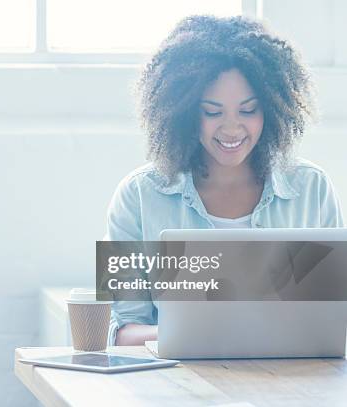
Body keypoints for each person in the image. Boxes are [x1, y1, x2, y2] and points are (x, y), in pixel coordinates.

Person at [104, 15, 344, 346]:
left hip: (289, 382)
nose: (231, 129)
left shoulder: (313, 189)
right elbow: (121, 332)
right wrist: (199, 335)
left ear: (273, 110)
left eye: (248, 111)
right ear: (184, 111)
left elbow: (333, 318)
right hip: (180, 386)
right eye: (212, 112)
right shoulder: (136, 196)